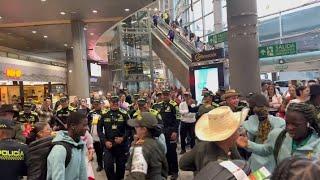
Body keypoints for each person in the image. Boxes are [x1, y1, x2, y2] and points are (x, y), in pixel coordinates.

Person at [237, 103, 320, 172]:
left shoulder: (317, 146)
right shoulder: (278, 135)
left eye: (296, 125)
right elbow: (266, 150)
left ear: (308, 123)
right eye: (287, 123)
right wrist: (248, 144)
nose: (289, 128)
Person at [179, 106, 249, 174]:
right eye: (236, 131)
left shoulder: (201, 146)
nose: (238, 134)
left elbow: (183, 163)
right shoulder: (219, 164)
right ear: (229, 136)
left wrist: (199, 171)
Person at [242, 94, 285, 171]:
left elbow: (248, 148)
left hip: (256, 164)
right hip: (276, 163)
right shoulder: (280, 122)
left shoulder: (247, 125)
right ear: (267, 106)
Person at [126, 112, 169, 179]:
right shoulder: (158, 143)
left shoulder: (140, 148)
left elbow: (136, 177)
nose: (135, 129)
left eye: (137, 127)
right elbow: (164, 170)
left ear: (144, 129)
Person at [47, 112, 88, 180]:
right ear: (73, 126)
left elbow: (82, 172)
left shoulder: (79, 145)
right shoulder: (60, 149)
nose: (87, 128)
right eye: (84, 125)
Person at [98, 96, 130, 180]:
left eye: (116, 102)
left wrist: (123, 138)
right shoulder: (104, 114)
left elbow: (129, 129)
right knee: (108, 166)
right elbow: (99, 129)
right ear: (109, 102)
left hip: (121, 144)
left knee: (121, 167)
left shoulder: (124, 113)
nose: (115, 103)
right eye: (113, 102)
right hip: (108, 144)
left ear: (119, 102)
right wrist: (104, 141)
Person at [158, 89, 180, 179]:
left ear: (169, 95)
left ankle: (175, 172)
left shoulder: (174, 105)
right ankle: (167, 171)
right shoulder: (158, 105)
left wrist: (175, 131)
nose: (165, 96)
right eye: (164, 95)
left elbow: (178, 118)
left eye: (167, 94)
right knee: (163, 152)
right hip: (161, 133)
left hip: (171, 132)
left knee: (172, 152)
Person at [87, 99, 104, 172]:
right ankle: (100, 165)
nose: (96, 105)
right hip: (94, 135)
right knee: (98, 151)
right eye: (95, 104)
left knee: (105, 151)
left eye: (98, 104)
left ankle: (107, 163)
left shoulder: (105, 112)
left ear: (101, 104)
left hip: (104, 135)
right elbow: (86, 122)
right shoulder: (90, 113)